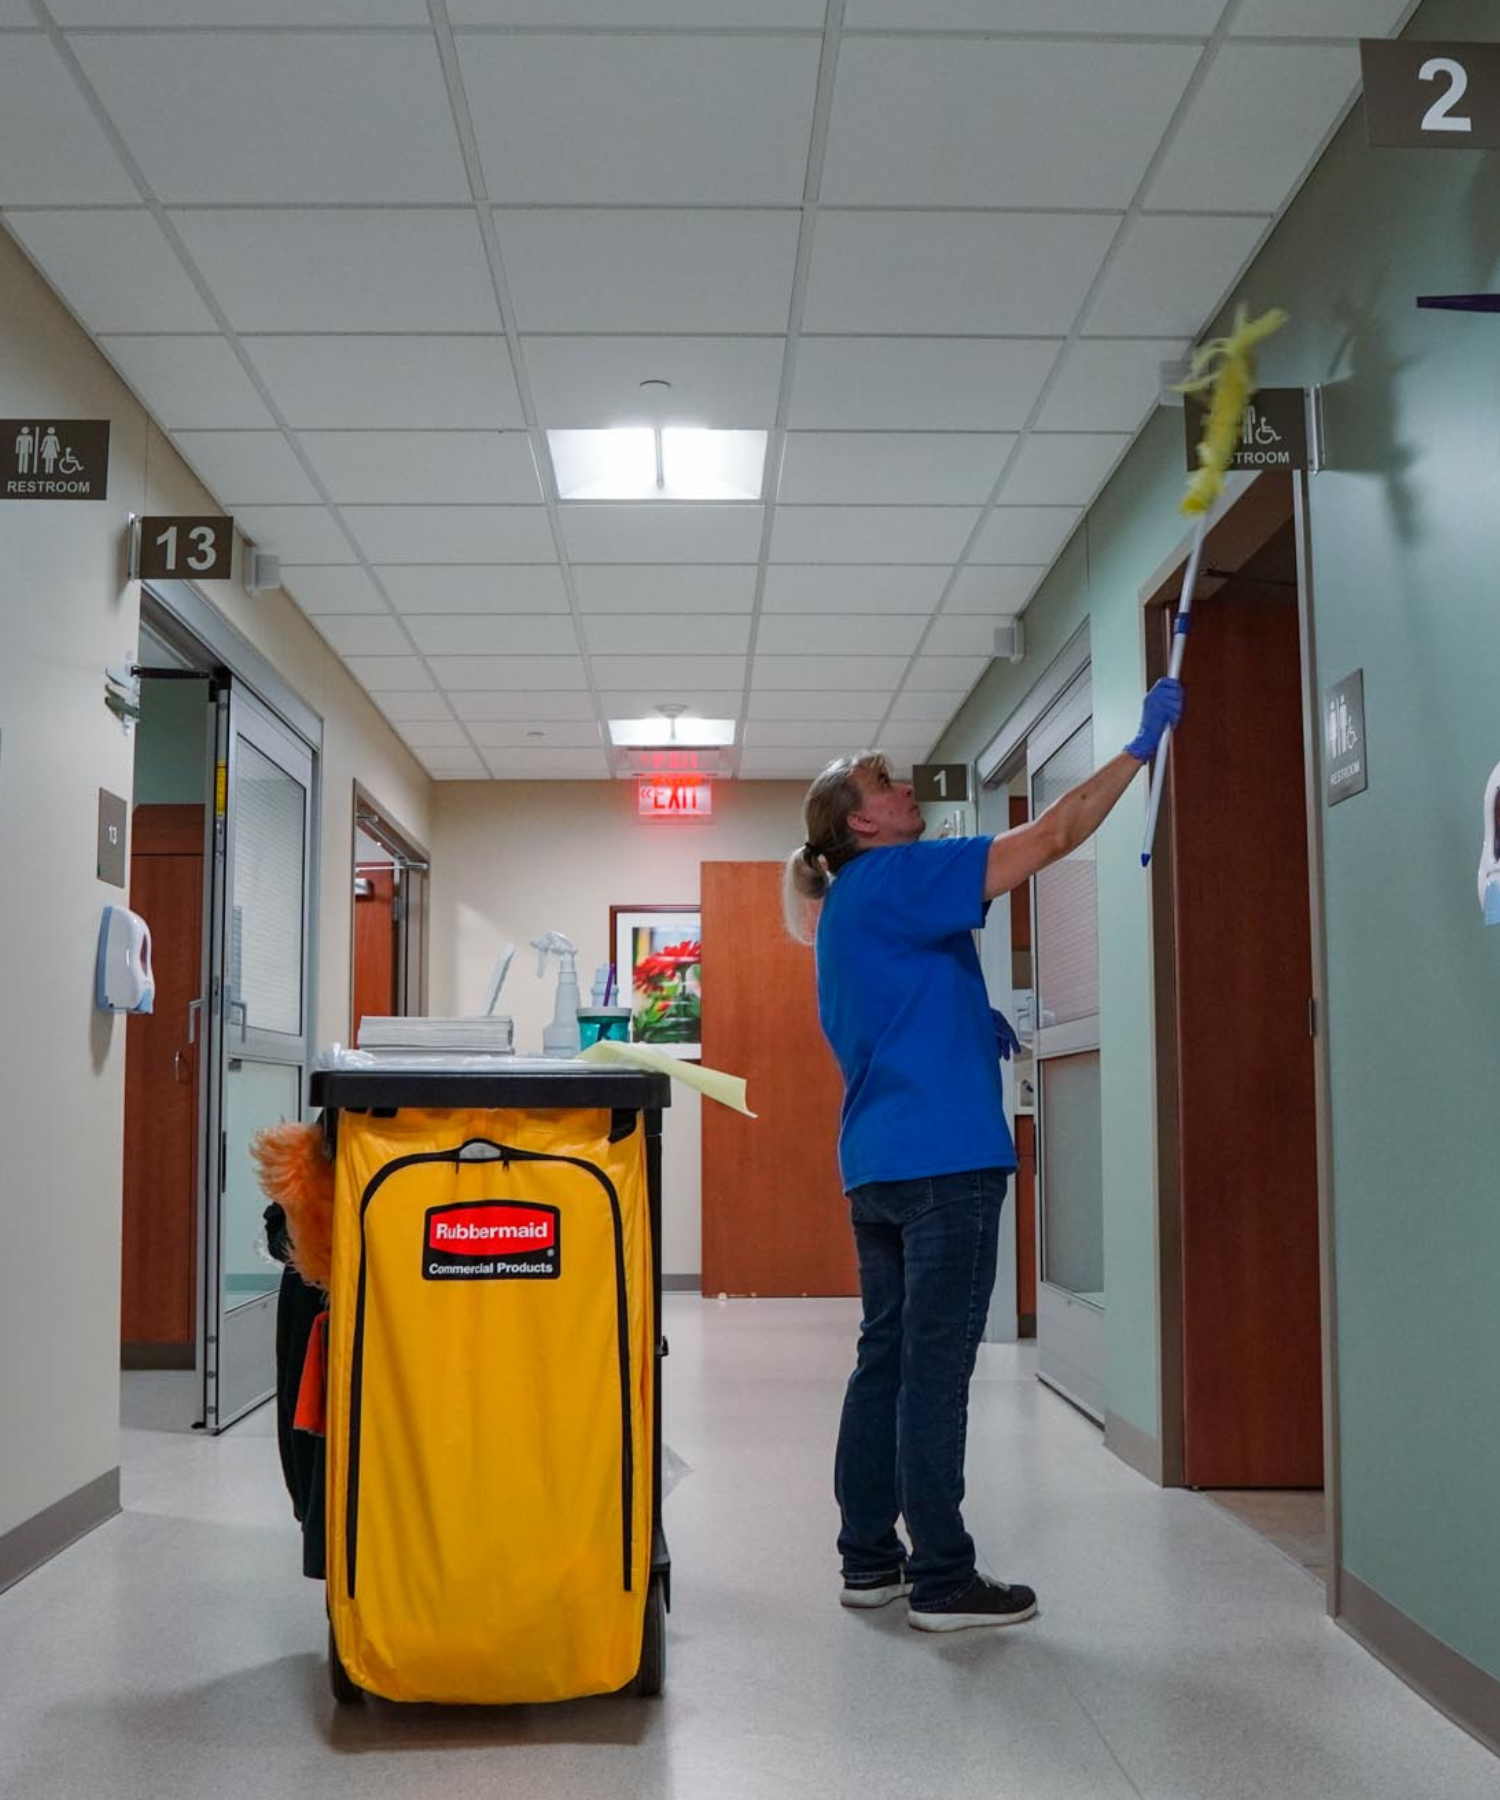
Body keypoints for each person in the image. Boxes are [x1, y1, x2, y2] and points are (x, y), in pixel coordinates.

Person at [782, 678, 1184, 1633]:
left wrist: (972, 1018)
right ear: (861, 823)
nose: (904, 788)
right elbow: (1052, 835)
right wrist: (1137, 750)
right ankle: (943, 1578)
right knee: (934, 1368)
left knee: (885, 1361)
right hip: (945, 1164)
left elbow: (897, 1010)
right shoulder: (899, 874)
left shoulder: (848, 907)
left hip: (879, 1165)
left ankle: (869, 1562)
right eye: (886, 784)